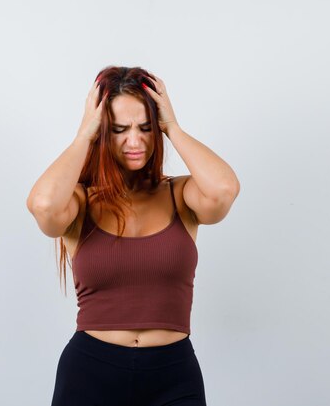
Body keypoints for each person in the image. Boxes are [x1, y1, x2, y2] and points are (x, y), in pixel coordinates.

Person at [26, 65, 240, 406]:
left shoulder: (180, 194)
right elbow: (43, 206)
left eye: (145, 128)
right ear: (103, 132)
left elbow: (223, 190)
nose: (135, 141)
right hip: (90, 374)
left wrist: (173, 127)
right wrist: (85, 134)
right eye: (120, 130)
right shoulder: (80, 201)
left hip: (173, 375)